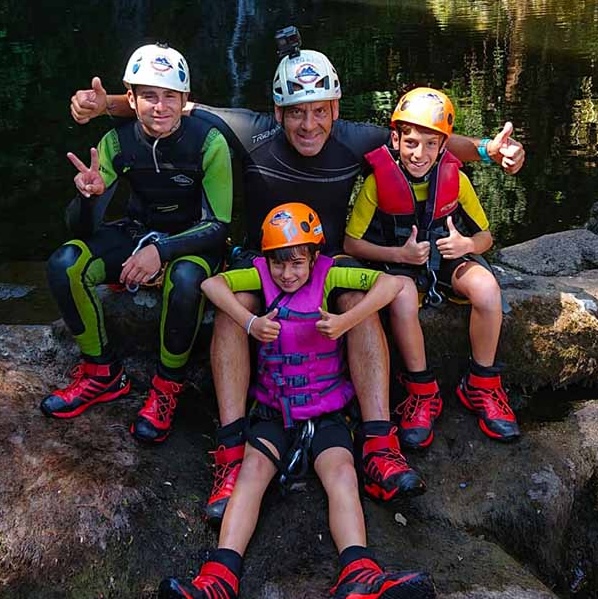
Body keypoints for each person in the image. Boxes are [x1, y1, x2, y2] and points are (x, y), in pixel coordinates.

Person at [69, 31, 526, 521]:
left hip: (326, 259)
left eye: (320, 110)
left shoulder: (357, 138)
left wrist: (486, 149)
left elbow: (426, 133)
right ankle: (231, 453)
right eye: (296, 111)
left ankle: (376, 444)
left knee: (355, 305)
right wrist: (107, 106)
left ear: (335, 107)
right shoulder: (251, 131)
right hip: (263, 259)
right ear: (278, 109)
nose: (309, 124)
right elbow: (173, 107)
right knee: (231, 311)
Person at [158, 202, 436, 599]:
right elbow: (210, 285)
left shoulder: (330, 274)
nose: (287, 274)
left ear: (314, 257)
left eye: (297, 264)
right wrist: (250, 321)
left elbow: (394, 285)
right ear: (266, 259)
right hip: (274, 413)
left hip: (326, 416)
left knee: (342, 475)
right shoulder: (258, 275)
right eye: (278, 264)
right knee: (251, 474)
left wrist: (345, 321)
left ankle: (359, 570)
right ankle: (219, 576)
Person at [41, 43, 233, 446]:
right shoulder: (116, 142)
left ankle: (166, 387)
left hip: (192, 239)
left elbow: (218, 225)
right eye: (148, 96)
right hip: (137, 229)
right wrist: (90, 195)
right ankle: (101, 373)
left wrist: (160, 252)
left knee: (184, 279)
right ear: (130, 99)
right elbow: (81, 227)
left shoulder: (209, 141)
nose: (159, 107)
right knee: (65, 263)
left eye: (169, 97)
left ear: (185, 100)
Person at [344, 87, 521, 450]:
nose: (419, 153)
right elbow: (350, 245)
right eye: (410, 142)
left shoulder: (456, 179)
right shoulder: (377, 183)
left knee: (487, 289)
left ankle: (482, 384)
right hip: (400, 262)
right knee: (404, 296)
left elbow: (486, 237)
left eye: (429, 144)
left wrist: (467, 246)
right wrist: (399, 255)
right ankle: (422, 391)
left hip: (448, 259)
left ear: (443, 146)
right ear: (394, 139)